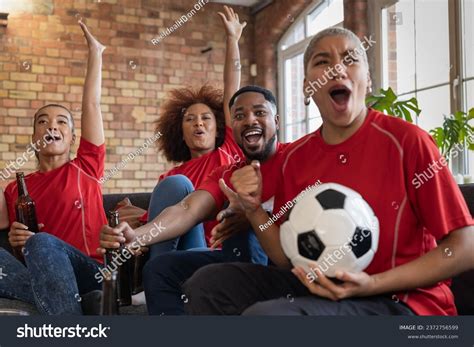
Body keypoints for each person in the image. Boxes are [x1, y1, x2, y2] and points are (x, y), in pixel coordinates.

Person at [182, 27, 474, 316]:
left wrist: (371, 284)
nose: (337, 69)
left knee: (270, 317)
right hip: (319, 288)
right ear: (308, 88)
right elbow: (286, 259)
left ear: (368, 80)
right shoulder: (296, 158)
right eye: (323, 62)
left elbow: (465, 246)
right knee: (208, 285)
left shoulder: (408, 142)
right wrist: (255, 210)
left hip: (402, 302)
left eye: (350, 59)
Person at [98, 86, 290, 314]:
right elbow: (187, 209)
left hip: (279, 261)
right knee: (159, 268)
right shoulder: (225, 174)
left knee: (241, 224)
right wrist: (136, 236)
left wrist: (253, 214)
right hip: (228, 257)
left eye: (259, 113)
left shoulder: (295, 157)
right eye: (239, 116)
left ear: (276, 121)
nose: (249, 120)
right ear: (234, 127)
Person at [0, 21, 107, 314]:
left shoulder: (87, 165)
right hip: (41, 273)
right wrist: (15, 241)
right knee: (38, 245)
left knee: (44, 242)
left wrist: (95, 53)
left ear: (72, 136)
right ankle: (71, 301)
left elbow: (93, 106)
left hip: (90, 269)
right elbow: (8, 236)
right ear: (34, 137)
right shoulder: (15, 188)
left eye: (61, 121)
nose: (52, 126)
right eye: (43, 122)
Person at [142, 6, 247, 257]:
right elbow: (156, 224)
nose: (198, 123)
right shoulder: (170, 177)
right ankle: (158, 276)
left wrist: (232, 40)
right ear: (179, 131)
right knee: (175, 183)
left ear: (219, 125)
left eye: (205, 118)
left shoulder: (229, 150)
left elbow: (232, 91)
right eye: (190, 119)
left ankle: (159, 277)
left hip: (217, 250)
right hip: (183, 250)